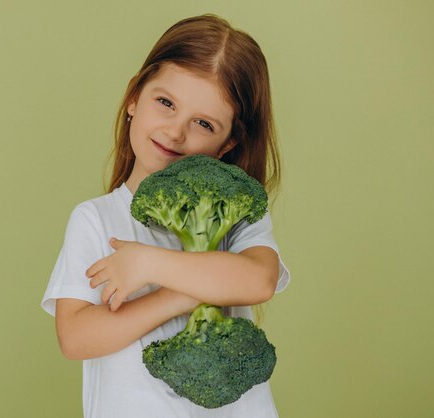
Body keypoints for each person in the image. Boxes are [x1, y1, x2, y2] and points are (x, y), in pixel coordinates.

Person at [41, 13, 291, 417]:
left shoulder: (235, 214)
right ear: (133, 98)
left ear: (228, 143)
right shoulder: (96, 219)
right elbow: (75, 337)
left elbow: (260, 279)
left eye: (204, 123)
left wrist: (148, 263)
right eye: (166, 103)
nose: (176, 132)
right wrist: (183, 293)